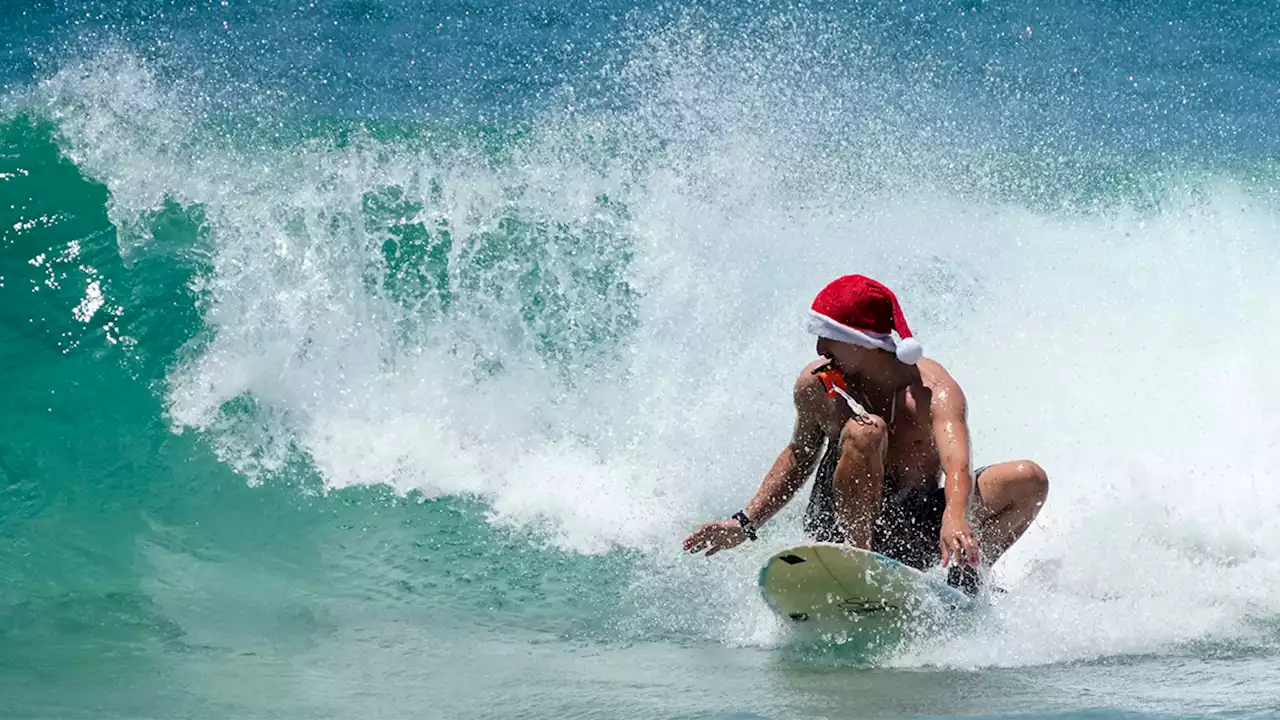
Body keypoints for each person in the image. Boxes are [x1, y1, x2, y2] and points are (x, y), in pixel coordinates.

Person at [681, 275, 1048, 593]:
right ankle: (859, 566)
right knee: (865, 431)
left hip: (911, 525)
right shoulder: (818, 385)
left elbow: (958, 465)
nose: (819, 349)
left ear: (860, 340)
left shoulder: (933, 392)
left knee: (1028, 480)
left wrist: (954, 515)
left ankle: (967, 580)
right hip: (839, 526)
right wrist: (744, 523)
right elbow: (799, 456)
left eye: (828, 337)